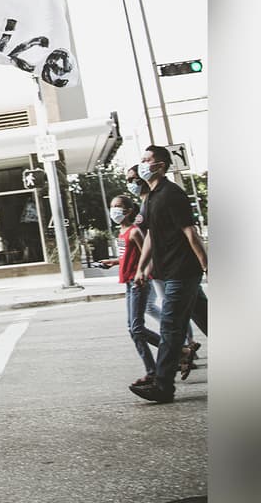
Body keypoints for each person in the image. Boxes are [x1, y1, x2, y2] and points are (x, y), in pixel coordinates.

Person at [129, 146, 209, 403]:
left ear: (161, 166)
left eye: (147, 160)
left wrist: (206, 264)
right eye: (141, 159)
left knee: (171, 327)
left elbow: (189, 232)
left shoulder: (172, 194)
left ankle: (163, 386)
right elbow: (151, 235)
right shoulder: (150, 198)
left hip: (182, 271)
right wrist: (143, 268)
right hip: (168, 271)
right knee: (207, 319)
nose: (142, 164)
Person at [111, 194, 159, 385]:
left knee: (136, 328)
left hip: (138, 283)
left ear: (129, 210)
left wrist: (144, 275)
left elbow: (149, 256)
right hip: (129, 283)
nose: (113, 210)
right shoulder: (121, 233)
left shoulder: (134, 231)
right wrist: (113, 262)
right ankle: (156, 367)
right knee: (133, 329)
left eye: (118, 206)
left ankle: (174, 355)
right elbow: (126, 257)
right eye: (112, 206)